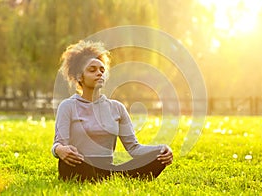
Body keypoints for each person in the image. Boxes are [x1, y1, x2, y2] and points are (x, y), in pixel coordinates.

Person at [51, 40, 173, 182]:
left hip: (108, 169)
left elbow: (134, 148)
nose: (99, 73)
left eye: (102, 70)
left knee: (158, 157)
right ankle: (104, 177)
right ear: (79, 76)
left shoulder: (117, 108)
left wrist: (162, 149)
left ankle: (108, 177)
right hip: (78, 166)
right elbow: (59, 143)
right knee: (71, 165)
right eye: (92, 70)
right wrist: (59, 150)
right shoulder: (67, 106)